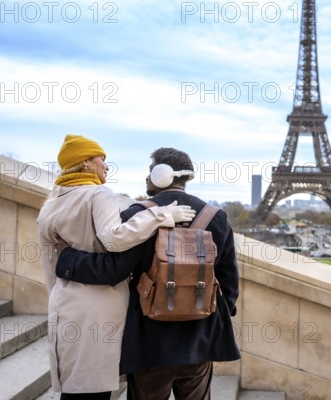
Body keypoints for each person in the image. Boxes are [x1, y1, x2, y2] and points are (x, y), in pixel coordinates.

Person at [54, 147, 240, 400]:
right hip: (199, 340)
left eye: (150, 172)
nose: (146, 177)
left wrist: (67, 259)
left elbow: (112, 270)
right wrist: (208, 321)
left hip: (149, 343)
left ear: (161, 174)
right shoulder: (216, 217)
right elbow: (228, 281)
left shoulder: (138, 215)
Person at [37, 135, 196, 400]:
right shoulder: (98, 194)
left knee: (75, 387)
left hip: (64, 301)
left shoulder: (51, 203)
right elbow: (115, 238)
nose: (106, 166)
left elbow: (49, 264)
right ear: (86, 162)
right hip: (98, 305)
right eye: (101, 159)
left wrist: (56, 297)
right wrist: (160, 215)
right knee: (93, 388)